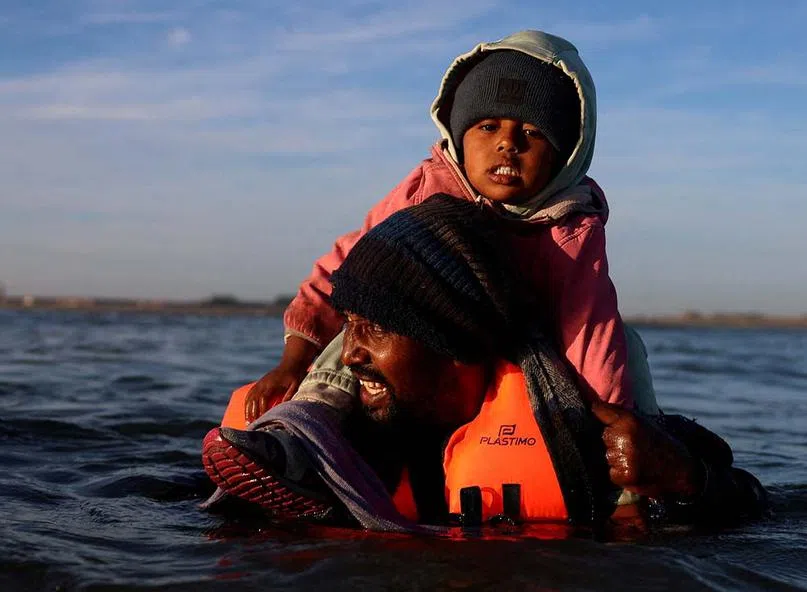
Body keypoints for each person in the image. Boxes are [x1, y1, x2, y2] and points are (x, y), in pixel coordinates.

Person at [202, 196, 767, 532]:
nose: (349, 355)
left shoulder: (585, 430)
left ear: (452, 340)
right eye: (348, 326)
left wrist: (684, 482)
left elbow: (762, 510)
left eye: (374, 330)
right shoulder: (336, 442)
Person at [245, 29, 653, 427]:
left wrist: (618, 448)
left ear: (565, 155)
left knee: (627, 344)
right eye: (488, 127)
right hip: (417, 356)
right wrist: (293, 361)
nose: (508, 144)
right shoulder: (425, 194)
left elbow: (590, 331)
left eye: (532, 132)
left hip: (512, 354)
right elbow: (342, 268)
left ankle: (645, 447)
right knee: (362, 312)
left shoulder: (571, 226)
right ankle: (309, 423)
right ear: (459, 135)